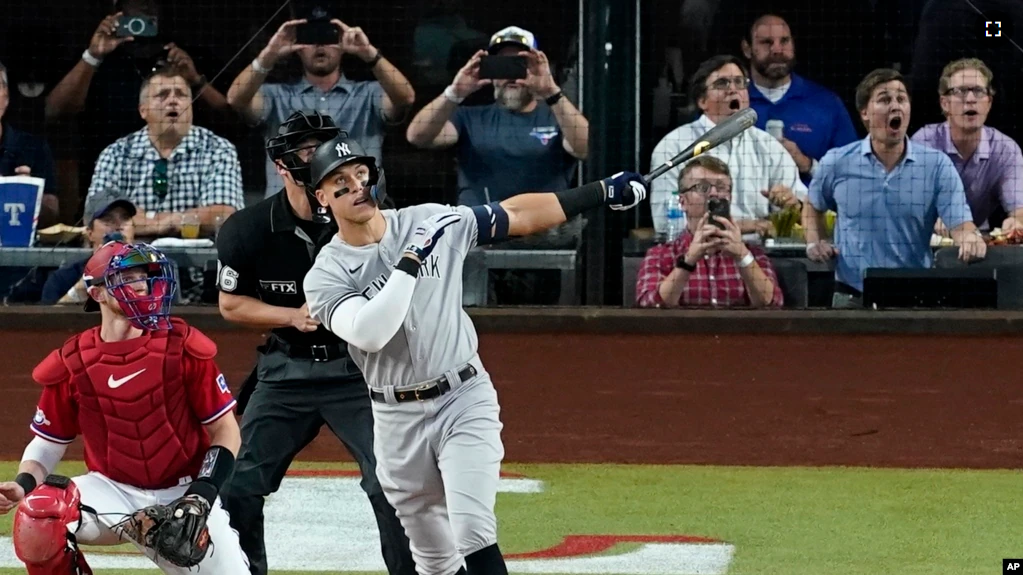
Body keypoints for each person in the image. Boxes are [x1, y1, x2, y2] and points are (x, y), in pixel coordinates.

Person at [302, 131, 647, 575]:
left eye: (360, 174)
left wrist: (599, 191)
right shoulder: (325, 274)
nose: (356, 187)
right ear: (322, 198)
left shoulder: (429, 221)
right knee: (435, 561)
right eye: (340, 183)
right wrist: (410, 260)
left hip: (462, 398)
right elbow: (370, 332)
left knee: (473, 532)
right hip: (395, 420)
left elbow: (516, 214)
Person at [215, 111, 415, 575]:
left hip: (361, 371)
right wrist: (293, 316)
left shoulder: (369, 219)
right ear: (283, 167)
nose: (318, 157)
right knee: (239, 486)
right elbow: (230, 305)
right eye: (306, 150)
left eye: (324, 145)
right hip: (286, 372)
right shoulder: (246, 229)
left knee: (389, 483)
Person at [0, 240, 249, 574]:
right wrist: (23, 484)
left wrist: (201, 497)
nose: (142, 284)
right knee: (41, 512)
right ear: (97, 293)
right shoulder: (74, 361)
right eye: (127, 277)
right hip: (111, 491)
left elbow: (225, 430)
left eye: (143, 276)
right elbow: (48, 441)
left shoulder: (181, 346)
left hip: (185, 496)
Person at [802, 68, 986, 308]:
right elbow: (811, 205)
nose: (895, 105)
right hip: (851, 297)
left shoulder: (936, 165)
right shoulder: (837, 162)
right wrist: (815, 241)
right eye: (885, 99)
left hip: (915, 296)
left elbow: (960, 224)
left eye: (901, 98)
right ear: (865, 113)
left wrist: (971, 238)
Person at [635, 156, 782, 308]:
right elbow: (650, 305)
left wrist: (742, 256)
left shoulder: (754, 256)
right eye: (702, 187)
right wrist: (688, 261)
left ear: (730, 197)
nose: (713, 193)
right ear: (682, 201)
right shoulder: (660, 256)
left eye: (721, 187)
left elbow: (772, 304)